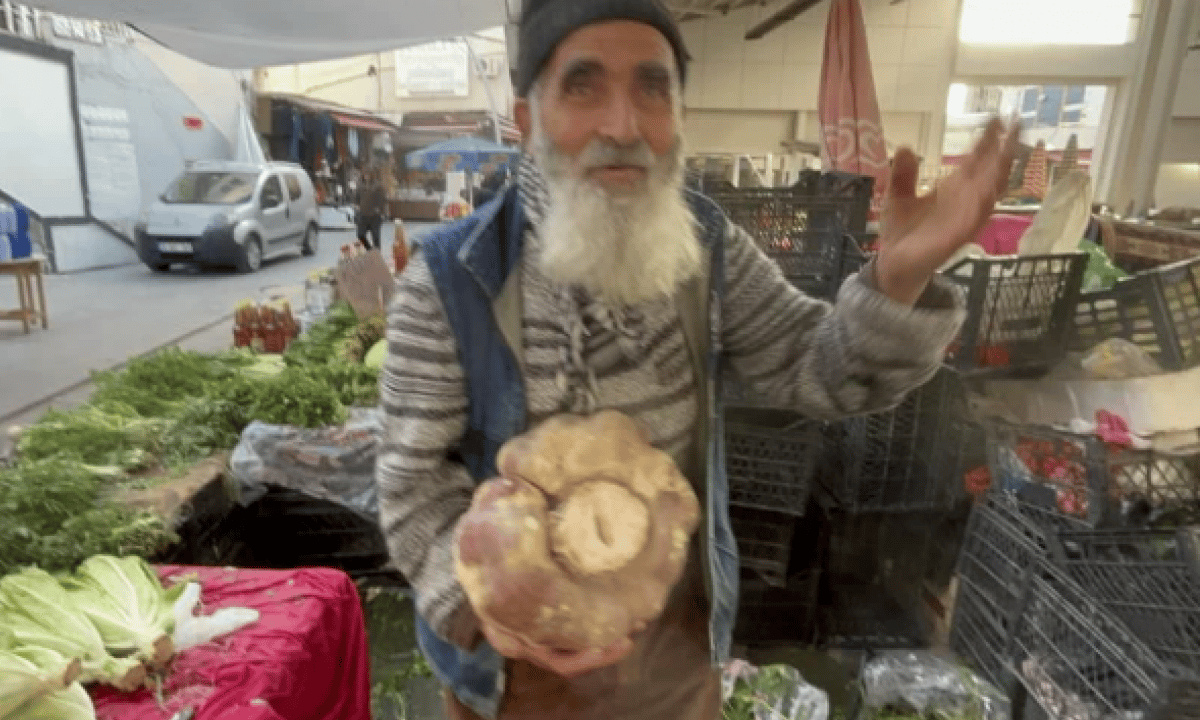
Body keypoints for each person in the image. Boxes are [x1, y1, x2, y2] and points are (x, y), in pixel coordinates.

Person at [376, 1, 1019, 718]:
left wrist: (898, 276)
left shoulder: (707, 252)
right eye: (583, 86)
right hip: (510, 676)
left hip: (673, 666)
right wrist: (480, 610)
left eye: (653, 88)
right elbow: (409, 490)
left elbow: (823, 368)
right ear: (527, 118)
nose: (624, 126)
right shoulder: (447, 280)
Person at [356, 170, 388, 250]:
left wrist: (381, 211)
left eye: (368, 174)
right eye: (365, 174)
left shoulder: (377, 185)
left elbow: (382, 199)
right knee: (360, 235)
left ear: (372, 175)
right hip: (363, 215)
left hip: (375, 216)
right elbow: (356, 198)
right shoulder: (360, 185)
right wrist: (357, 207)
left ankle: (377, 257)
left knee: (376, 238)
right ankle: (369, 250)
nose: (366, 176)